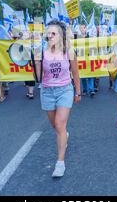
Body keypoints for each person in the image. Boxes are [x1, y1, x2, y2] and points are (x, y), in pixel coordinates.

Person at [34, 20, 81, 178]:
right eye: (48, 32)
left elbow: (75, 72)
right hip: (47, 91)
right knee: (56, 126)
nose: (50, 35)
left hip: (64, 90)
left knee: (60, 124)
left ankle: (60, 162)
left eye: (53, 32)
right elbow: (38, 78)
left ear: (60, 35)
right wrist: (36, 62)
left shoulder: (69, 51)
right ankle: (64, 135)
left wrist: (78, 92)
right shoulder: (41, 51)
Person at [77, 24, 96, 97]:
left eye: (82, 28)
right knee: (83, 75)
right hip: (81, 58)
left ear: (85, 29)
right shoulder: (78, 38)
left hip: (89, 57)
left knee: (90, 74)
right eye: (80, 28)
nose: (81, 29)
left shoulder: (89, 37)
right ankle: (85, 89)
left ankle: (91, 90)